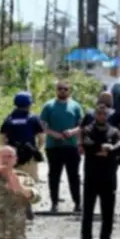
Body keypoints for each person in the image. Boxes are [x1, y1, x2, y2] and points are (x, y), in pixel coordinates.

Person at [81, 103, 120, 239]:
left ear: (107, 115)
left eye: (104, 113)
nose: (101, 116)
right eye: (99, 113)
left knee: (108, 214)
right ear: (95, 114)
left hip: (109, 177)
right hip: (91, 177)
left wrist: (110, 149)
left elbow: (119, 148)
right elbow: (88, 146)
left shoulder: (113, 131)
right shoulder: (88, 130)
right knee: (88, 213)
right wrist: (103, 148)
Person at [39, 80, 84, 212]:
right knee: (54, 176)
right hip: (54, 146)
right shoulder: (48, 106)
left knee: (74, 176)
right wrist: (55, 134)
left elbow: (82, 125)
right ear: (56, 90)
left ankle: (77, 203)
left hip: (71, 146)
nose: (62, 91)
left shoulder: (75, 106)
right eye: (60, 89)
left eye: (65, 89)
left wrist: (72, 132)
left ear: (69, 91)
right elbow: (42, 126)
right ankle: (54, 203)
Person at [0, 91, 44, 180]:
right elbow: (42, 139)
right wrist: (37, 151)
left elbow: (2, 140)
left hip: (12, 157)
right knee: (30, 183)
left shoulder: (8, 119)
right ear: (29, 104)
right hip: (29, 157)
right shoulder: (34, 119)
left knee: (13, 183)